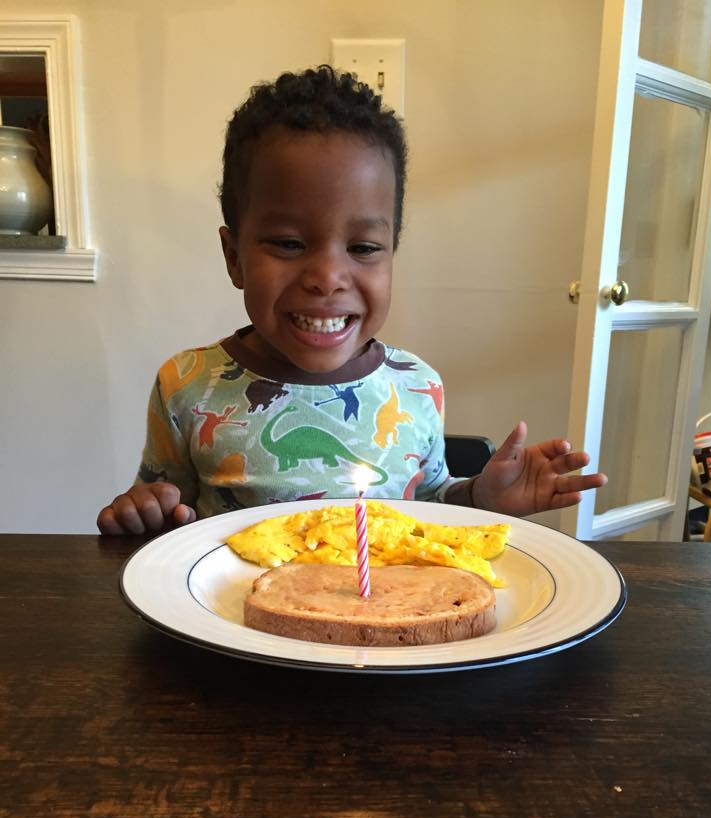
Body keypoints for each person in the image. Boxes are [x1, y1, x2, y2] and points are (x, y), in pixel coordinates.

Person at [97, 66, 605, 536]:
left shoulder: (418, 386)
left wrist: (479, 498)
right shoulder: (186, 385)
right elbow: (167, 513)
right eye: (289, 244)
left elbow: (429, 501)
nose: (327, 278)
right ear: (235, 257)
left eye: (362, 248)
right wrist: (143, 514)